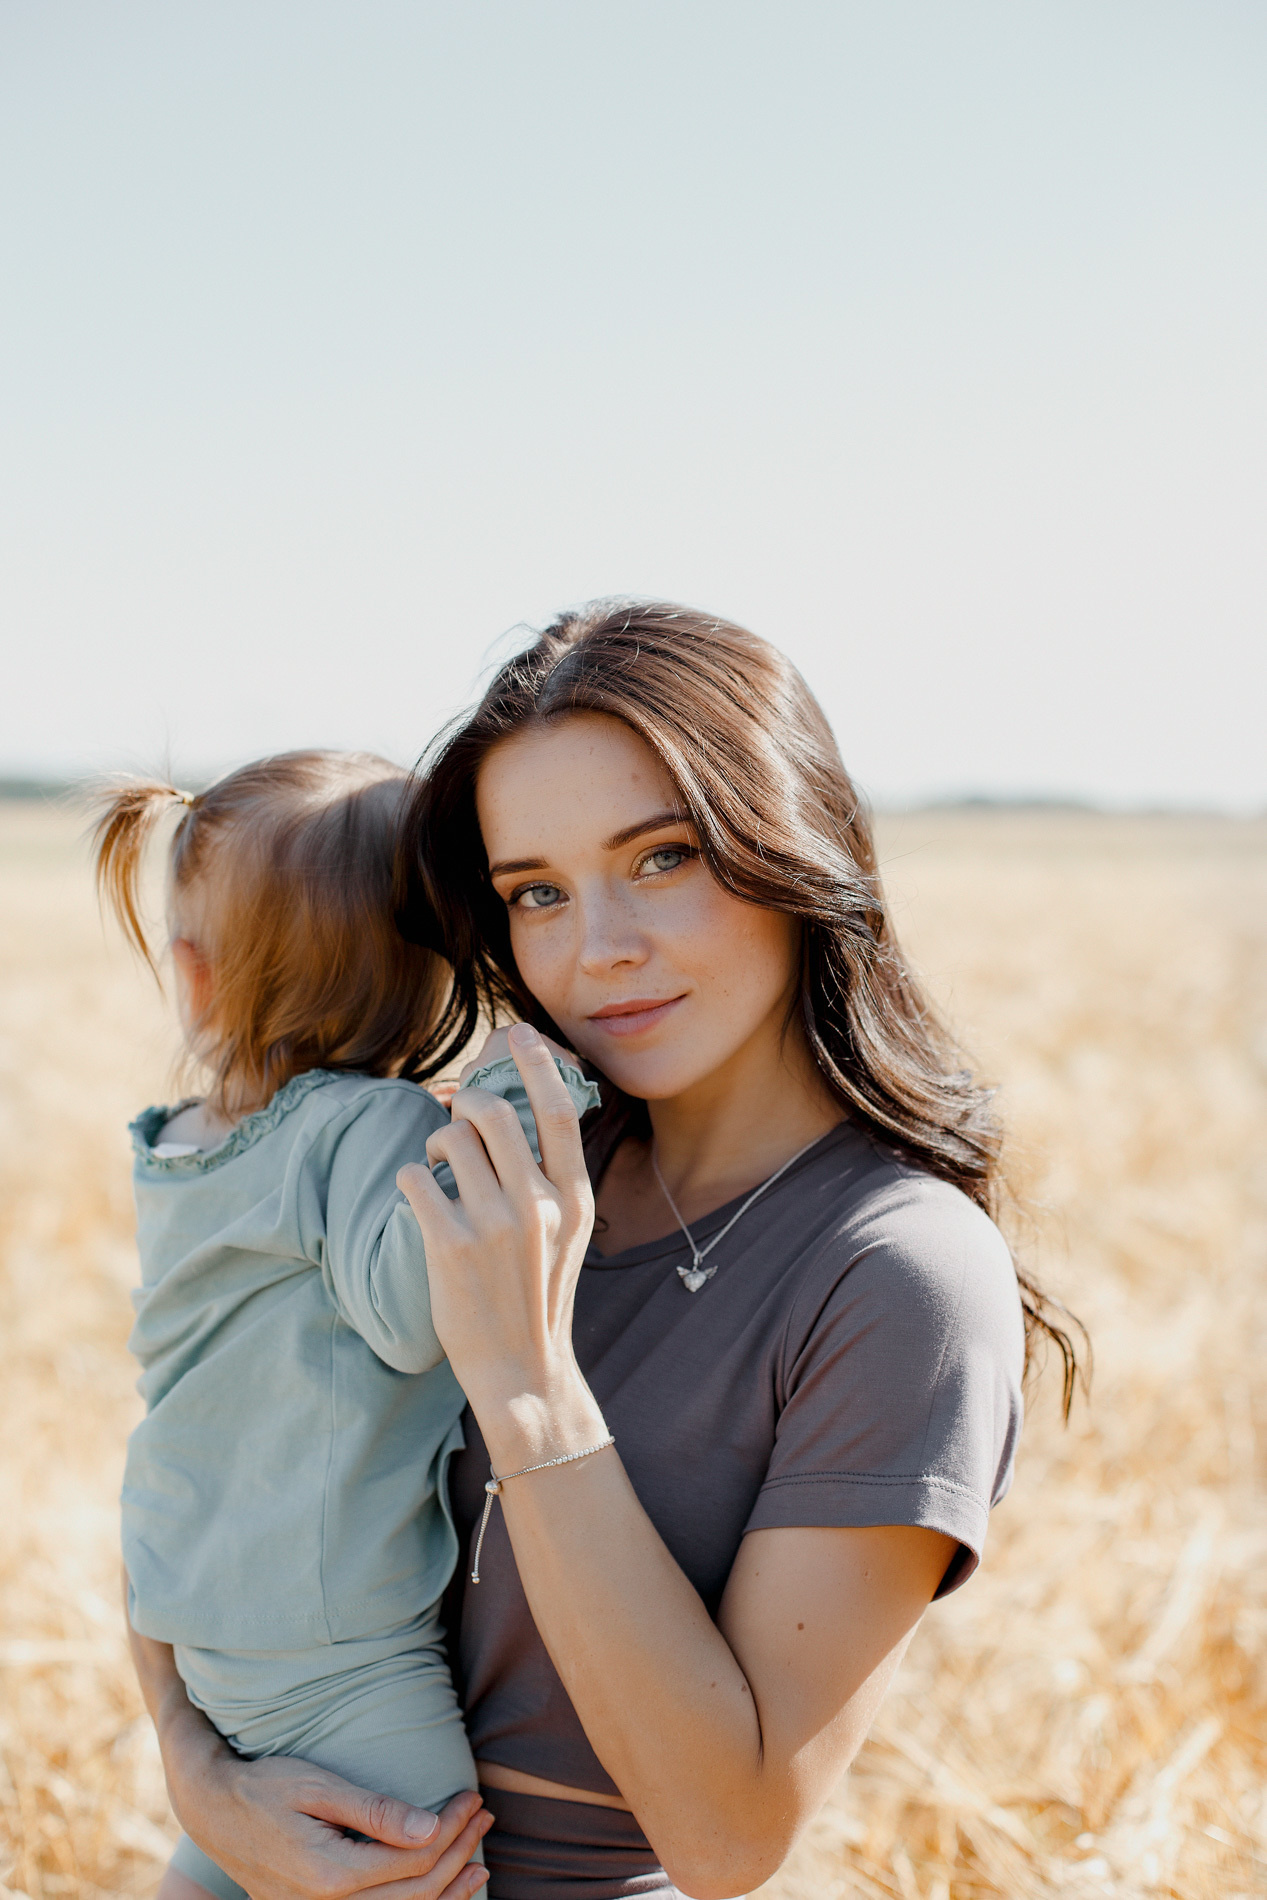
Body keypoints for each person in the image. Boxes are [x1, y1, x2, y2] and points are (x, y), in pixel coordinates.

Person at [127, 604, 1080, 1900]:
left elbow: (728, 1835)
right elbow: (205, 1447)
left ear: (789, 840)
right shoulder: (485, 1149)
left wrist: (528, 1385)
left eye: (662, 856)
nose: (597, 950)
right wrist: (201, 1781)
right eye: (535, 892)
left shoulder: (892, 1274)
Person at [94, 749, 597, 1900]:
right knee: (413, 1873)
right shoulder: (356, 1124)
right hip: (339, 1653)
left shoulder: (176, 1142)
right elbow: (417, 1311)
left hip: (196, 1623)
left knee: (234, 1863)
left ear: (196, 975)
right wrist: (526, 1088)